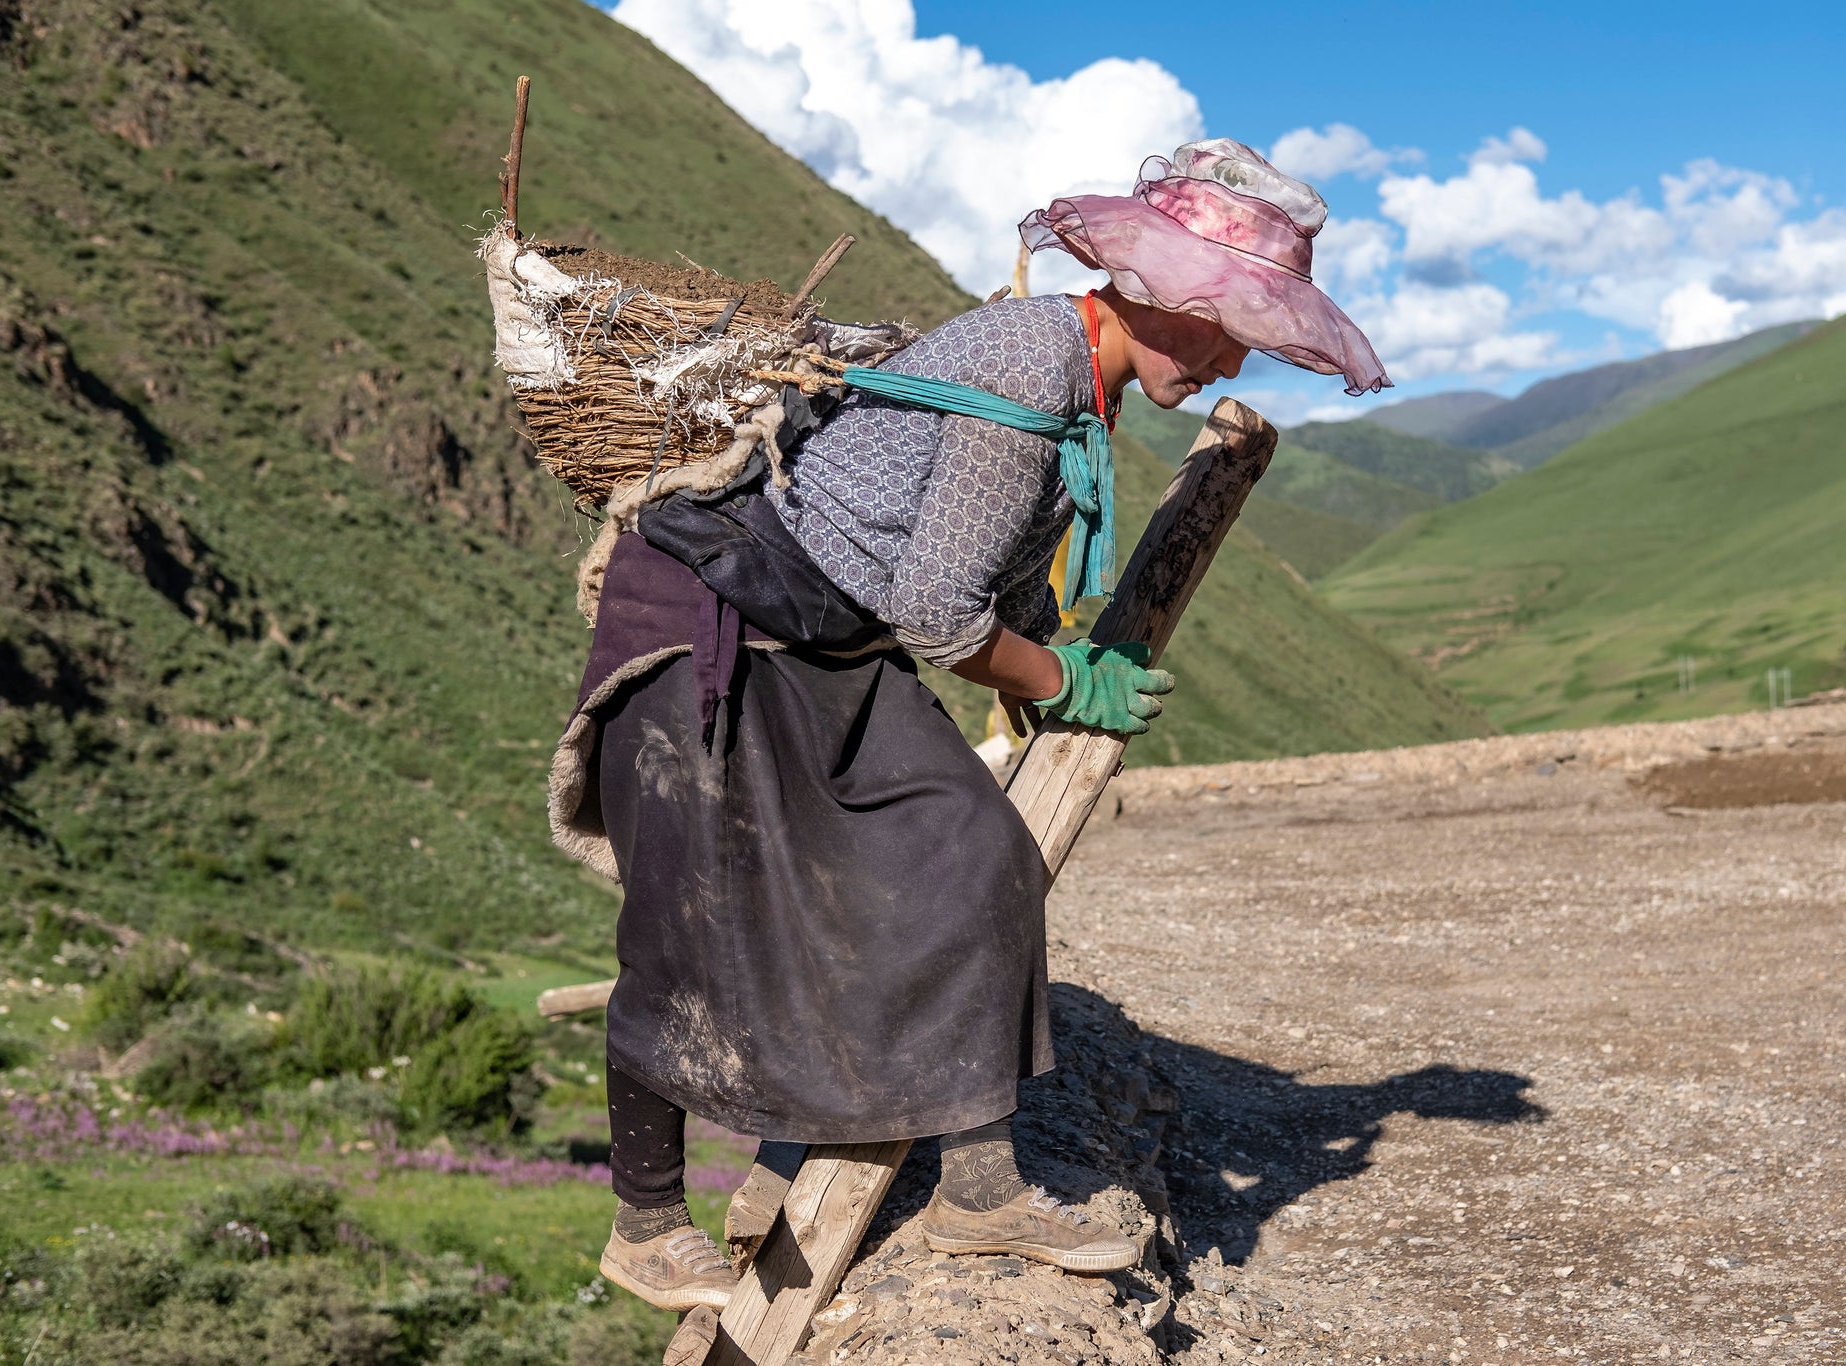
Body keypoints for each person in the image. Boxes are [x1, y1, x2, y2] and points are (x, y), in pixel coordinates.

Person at [549, 138, 1389, 1312]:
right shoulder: (1027, 368)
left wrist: (1047, 650)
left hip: (826, 634)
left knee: (973, 854)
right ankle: (643, 1221)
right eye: (1222, 319)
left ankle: (977, 1193)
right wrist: (1058, 681)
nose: (1229, 354)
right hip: (712, 621)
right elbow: (940, 611)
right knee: (693, 916)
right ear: (1150, 297)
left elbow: (986, 556)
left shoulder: (1075, 390)